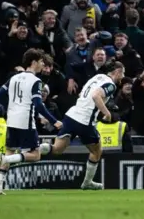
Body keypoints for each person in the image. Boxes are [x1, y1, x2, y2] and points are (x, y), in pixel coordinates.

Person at [0, 49, 62, 195]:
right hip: (25, 121)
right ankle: (8, 159)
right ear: (34, 62)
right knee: (35, 155)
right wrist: (54, 121)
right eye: (41, 61)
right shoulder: (36, 81)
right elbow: (38, 104)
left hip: (11, 120)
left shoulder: (14, 78)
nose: (43, 64)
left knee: (10, 149)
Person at [38, 60, 125, 190]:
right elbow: (96, 96)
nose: (123, 77)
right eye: (122, 73)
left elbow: (82, 94)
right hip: (85, 120)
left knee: (57, 149)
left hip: (72, 115)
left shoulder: (96, 77)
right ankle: (87, 182)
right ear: (117, 72)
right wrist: (107, 113)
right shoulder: (110, 85)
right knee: (97, 151)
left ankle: (32, 150)